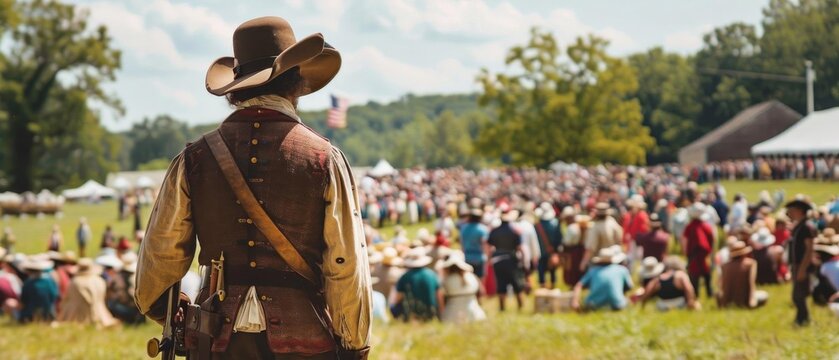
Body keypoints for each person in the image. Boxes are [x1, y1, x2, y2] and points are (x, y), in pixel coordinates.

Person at [135, 17, 371, 359]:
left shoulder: (193, 158)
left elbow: (160, 259)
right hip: (304, 342)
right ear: (296, 83)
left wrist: (170, 310)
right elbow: (345, 265)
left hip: (215, 341)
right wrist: (353, 343)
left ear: (236, 88)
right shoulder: (325, 158)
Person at [58, 258, 118, 327]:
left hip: (76, 314)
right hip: (99, 313)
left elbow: (67, 299)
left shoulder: (75, 282)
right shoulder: (99, 281)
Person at [571, 245, 632, 311]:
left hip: (593, 305)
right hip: (618, 305)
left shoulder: (593, 270)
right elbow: (629, 287)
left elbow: (579, 285)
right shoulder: (622, 270)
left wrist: (575, 302)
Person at [785, 199, 816, 326]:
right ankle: (802, 318)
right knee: (798, 294)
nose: (789, 213)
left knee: (799, 295)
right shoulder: (799, 226)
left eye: (792, 210)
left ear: (800, 211)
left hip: (802, 265)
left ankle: (803, 320)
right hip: (797, 264)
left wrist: (802, 269)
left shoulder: (807, 227)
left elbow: (809, 249)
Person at [487, 209, 526, 311]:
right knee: (517, 283)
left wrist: (489, 259)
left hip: (497, 260)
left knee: (501, 284)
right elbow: (520, 248)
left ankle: (502, 308)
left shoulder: (494, 231)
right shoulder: (515, 231)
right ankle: (520, 306)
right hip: (511, 260)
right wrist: (524, 261)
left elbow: (489, 247)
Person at [394, 247, 441, 322]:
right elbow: (439, 296)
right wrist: (440, 313)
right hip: (431, 314)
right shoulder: (432, 275)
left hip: (410, 315)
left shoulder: (404, 277)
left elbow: (397, 299)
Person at [717, 241, 768, 309]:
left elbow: (721, 285)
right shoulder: (751, 264)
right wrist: (751, 301)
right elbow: (751, 282)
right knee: (764, 295)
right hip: (744, 300)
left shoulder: (724, 266)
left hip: (727, 301)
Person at [438, 251, 486, 324]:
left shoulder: (446, 280)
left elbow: (441, 298)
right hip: (474, 315)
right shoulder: (472, 277)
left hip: (452, 316)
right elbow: (481, 293)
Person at [683, 202, 714, 298]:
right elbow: (711, 240)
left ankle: (696, 294)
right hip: (704, 255)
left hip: (693, 255)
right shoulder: (706, 226)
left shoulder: (689, 226)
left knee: (694, 275)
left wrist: (686, 253)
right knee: (706, 274)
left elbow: (685, 241)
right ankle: (709, 293)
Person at [581, 203, 623, 272]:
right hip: (612, 258)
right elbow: (620, 240)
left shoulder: (595, 227)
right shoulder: (612, 222)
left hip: (598, 261)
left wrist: (584, 262)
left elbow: (590, 248)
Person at [534, 202, 562, 289]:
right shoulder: (555, 223)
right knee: (552, 270)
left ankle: (543, 288)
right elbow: (559, 238)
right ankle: (553, 287)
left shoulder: (537, 225)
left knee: (541, 270)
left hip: (540, 252)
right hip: (552, 251)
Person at [459, 209, 489, 278]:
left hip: (467, 257)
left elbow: (462, 243)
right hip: (479, 258)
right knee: (480, 281)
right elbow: (485, 245)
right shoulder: (483, 229)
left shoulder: (463, 228)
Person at [561, 211, 587, 287]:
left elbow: (567, 242)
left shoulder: (571, 228)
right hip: (580, 250)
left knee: (571, 268)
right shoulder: (582, 227)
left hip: (572, 251)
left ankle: (573, 283)